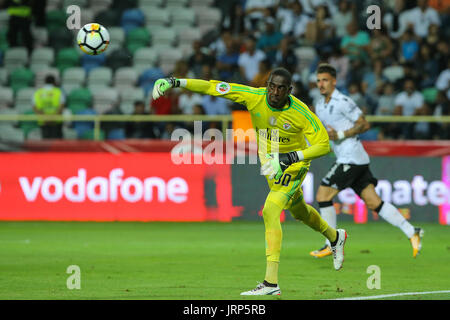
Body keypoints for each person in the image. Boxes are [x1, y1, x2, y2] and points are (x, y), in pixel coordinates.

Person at [151, 67, 348, 296]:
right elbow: (213, 87)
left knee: (270, 210)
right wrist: (176, 82)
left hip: (293, 164)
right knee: (299, 211)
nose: (274, 92)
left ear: (289, 90)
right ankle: (335, 236)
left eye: (281, 88)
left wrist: (289, 158)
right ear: (266, 86)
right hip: (269, 166)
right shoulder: (253, 97)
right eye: (271, 87)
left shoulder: (301, 113)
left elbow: (323, 145)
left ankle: (271, 283)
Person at [310, 63, 423, 259]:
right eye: (319, 80)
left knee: (322, 195)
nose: (321, 84)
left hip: (351, 157)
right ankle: (412, 231)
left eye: (325, 80)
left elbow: (364, 124)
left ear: (334, 81)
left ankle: (332, 242)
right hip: (353, 158)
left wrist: (342, 133)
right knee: (373, 202)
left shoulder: (343, 101)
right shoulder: (320, 105)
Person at [32, 75, 65, 139]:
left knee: (46, 145)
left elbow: (35, 107)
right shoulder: (58, 92)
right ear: (54, 82)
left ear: (45, 82)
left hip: (43, 122)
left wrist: (45, 118)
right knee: (56, 145)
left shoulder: (38, 92)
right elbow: (61, 106)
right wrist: (53, 118)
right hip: (56, 122)